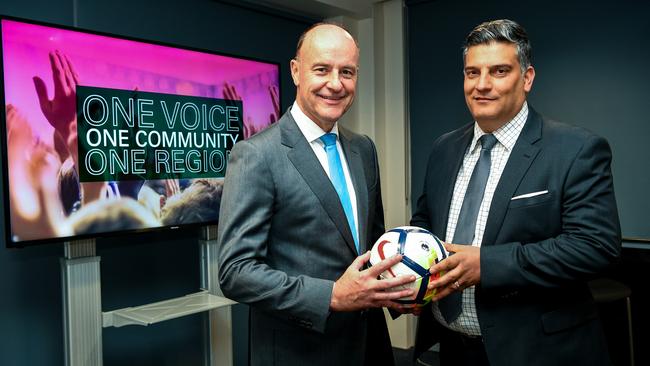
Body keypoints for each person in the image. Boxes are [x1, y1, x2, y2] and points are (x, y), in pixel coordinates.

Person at [411, 19, 621, 366]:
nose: (482, 85)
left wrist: (487, 264)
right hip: (450, 347)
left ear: (527, 78)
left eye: (499, 71)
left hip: (535, 351)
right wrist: (410, 272)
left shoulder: (576, 148)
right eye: (472, 72)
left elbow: (595, 246)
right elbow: (425, 223)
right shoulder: (444, 149)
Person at [218, 23, 416, 366]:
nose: (335, 84)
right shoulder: (257, 155)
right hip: (301, 351)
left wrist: (392, 286)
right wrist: (332, 296)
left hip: (370, 347)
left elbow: (370, 244)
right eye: (322, 69)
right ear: (296, 71)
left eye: (347, 72)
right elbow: (236, 272)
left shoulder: (363, 149)